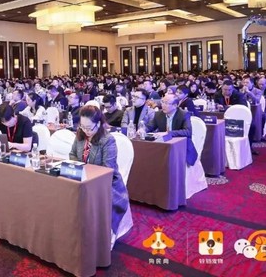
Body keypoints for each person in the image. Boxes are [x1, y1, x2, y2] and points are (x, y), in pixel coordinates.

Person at [69, 105, 130, 238]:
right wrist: (80, 169)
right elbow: (72, 154)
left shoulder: (107, 140)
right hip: (82, 178)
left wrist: (86, 171)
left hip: (105, 183)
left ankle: (96, 235)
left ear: (98, 124)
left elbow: (108, 168)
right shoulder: (80, 134)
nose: (86, 131)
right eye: (82, 126)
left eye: (89, 128)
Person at [145, 94, 197, 166]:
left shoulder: (183, 114)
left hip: (181, 148)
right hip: (163, 146)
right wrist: (143, 129)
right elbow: (150, 126)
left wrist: (168, 133)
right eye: (162, 102)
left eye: (166, 103)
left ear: (175, 105)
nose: (163, 105)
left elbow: (188, 132)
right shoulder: (158, 114)